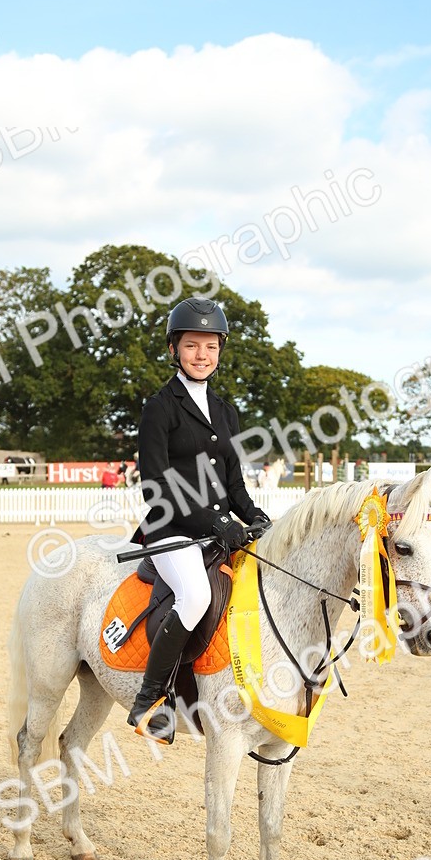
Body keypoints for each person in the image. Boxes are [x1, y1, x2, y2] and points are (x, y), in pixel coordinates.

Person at [127, 297, 271, 744]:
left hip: (215, 532)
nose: (202, 355)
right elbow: (156, 484)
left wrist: (255, 516)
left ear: (220, 351)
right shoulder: (160, 407)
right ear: (174, 349)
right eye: (192, 346)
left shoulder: (227, 411)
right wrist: (214, 521)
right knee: (193, 597)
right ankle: (152, 699)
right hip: (170, 530)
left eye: (210, 346)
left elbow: (234, 483)